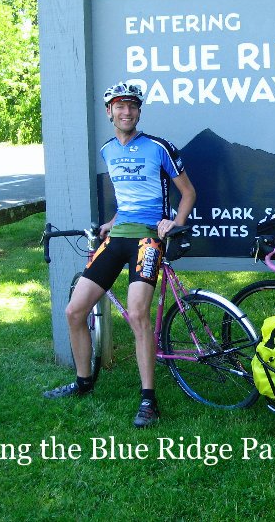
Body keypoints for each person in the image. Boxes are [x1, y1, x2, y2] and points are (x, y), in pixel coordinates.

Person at [43, 80, 197, 429]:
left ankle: (148, 399)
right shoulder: (108, 150)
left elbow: (188, 193)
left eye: (132, 106)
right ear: (109, 110)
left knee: (138, 315)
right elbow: (126, 197)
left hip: (147, 241)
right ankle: (83, 383)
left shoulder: (159, 147)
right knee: (74, 310)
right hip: (118, 238)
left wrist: (174, 223)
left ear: (139, 111)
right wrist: (112, 221)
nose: (126, 111)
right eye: (119, 105)